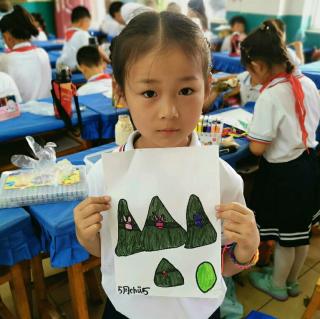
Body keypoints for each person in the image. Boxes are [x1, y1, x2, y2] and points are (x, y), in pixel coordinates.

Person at [74, 11, 260, 319]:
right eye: (149, 92)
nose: (169, 111)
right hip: (127, 310)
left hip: (198, 312)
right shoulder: (102, 176)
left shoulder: (222, 179)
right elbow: (107, 253)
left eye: (186, 90)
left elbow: (221, 265)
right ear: (120, 93)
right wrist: (86, 235)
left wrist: (246, 250)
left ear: (206, 89)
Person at [240, 20, 320, 301]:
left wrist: (252, 136)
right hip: (310, 166)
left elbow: (258, 149)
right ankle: (292, 281)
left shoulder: (271, 96)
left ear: (258, 66)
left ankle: (276, 284)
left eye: (249, 71)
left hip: (286, 174)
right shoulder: (306, 82)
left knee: (287, 237)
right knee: (301, 233)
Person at [0, 5, 51, 101]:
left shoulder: (4, 60)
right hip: (49, 108)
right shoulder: (42, 53)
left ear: (7, 37)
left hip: (23, 113)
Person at [56, 6, 91, 70]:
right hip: (76, 69)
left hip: (62, 67)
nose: (89, 25)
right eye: (88, 22)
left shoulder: (68, 33)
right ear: (82, 22)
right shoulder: (83, 34)